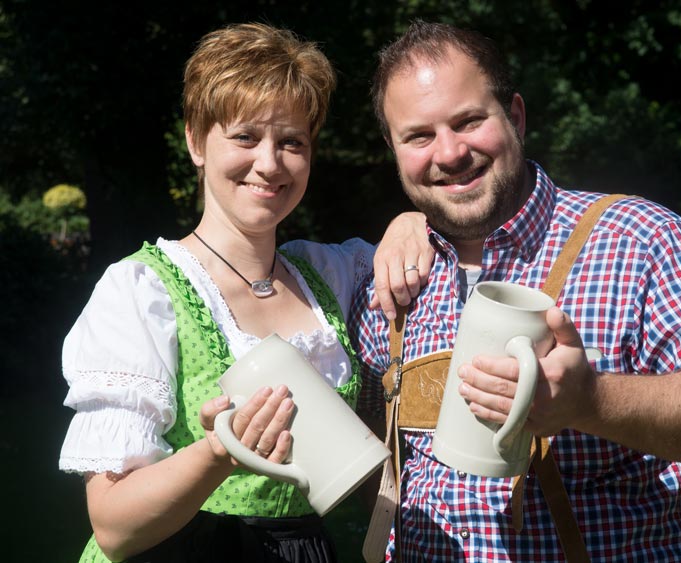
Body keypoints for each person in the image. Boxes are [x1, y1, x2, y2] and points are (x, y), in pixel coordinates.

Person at [351, 20, 681, 562]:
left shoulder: (639, 238)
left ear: (516, 117)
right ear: (393, 148)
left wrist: (592, 401)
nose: (450, 152)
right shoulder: (388, 280)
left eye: (468, 121)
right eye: (419, 136)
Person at [58, 23, 433, 563]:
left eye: (292, 142)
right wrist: (218, 451)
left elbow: (431, 251)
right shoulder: (142, 290)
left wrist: (409, 220)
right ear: (195, 141)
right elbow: (114, 527)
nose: (270, 163)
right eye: (245, 137)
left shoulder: (330, 271)